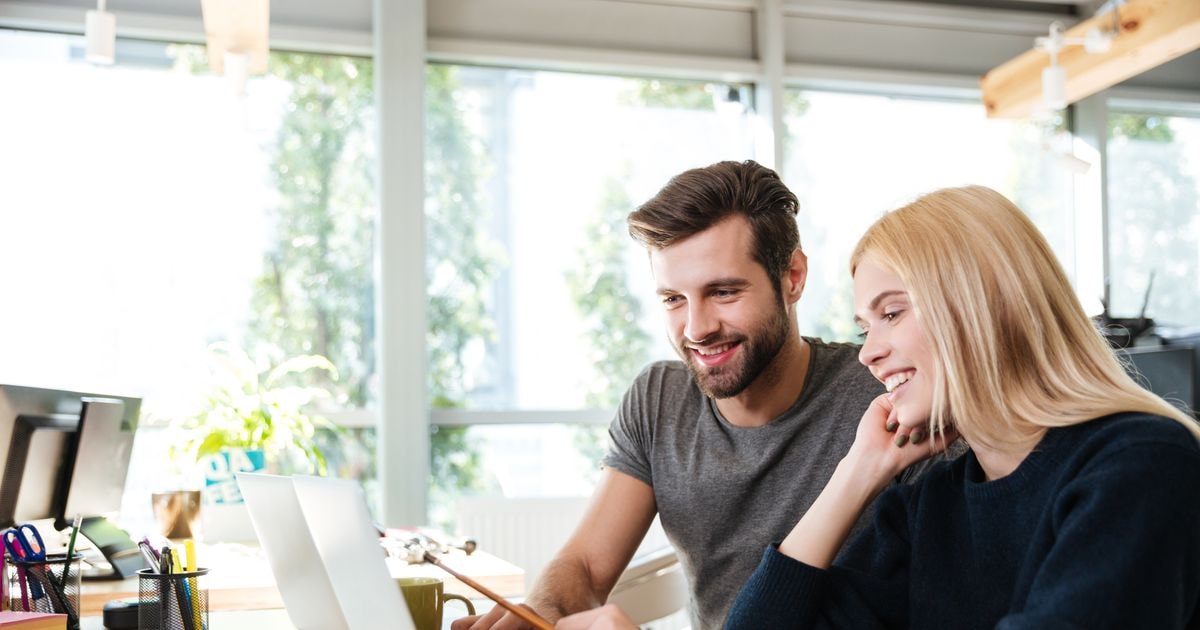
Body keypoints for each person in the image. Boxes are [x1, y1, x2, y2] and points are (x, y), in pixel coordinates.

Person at [716, 185, 1200, 628]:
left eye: (892, 313)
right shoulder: (926, 510)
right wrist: (857, 473)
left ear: (983, 304)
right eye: (865, 329)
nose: (868, 353)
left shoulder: (1139, 463)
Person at [454, 160, 897, 630]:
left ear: (792, 276)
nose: (696, 329)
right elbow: (584, 566)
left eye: (723, 292)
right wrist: (542, 610)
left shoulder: (883, 393)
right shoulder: (660, 400)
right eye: (673, 299)